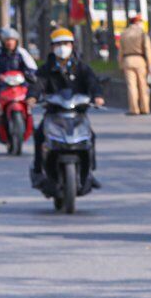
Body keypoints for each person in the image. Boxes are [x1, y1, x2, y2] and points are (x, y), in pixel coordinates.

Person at [33, 28, 105, 187]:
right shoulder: (46, 69)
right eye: (58, 44)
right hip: (54, 114)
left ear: (72, 46)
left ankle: (89, 173)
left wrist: (98, 96)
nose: (62, 47)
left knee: (91, 137)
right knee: (39, 135)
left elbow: (92, 82)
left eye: (66, 43)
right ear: (52, 47)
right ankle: (38, 171)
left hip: (77, 114)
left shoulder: (82, 68)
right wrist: (32, 97)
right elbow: (38, 84)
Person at [0, 28, 40, 122]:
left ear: (16, 41)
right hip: (3, 83)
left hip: (21, 83)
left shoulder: (22, 52)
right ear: (3, 41)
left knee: (32, 96)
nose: (10, 42)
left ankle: (29, 118)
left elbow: (32, 67)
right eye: (7, 40)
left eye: (12, 40)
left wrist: (29, 74)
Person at [116, 13, 151, 115]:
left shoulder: (124, 33)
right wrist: (150, 65)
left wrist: (120, 64)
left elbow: (120, 51)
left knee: (131, 86)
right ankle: (145, 108)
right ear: (137, 22)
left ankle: (134, 109)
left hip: (127, 60)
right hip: (140, 60)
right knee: (143, 85)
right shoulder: (142, 33)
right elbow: (148, 50)